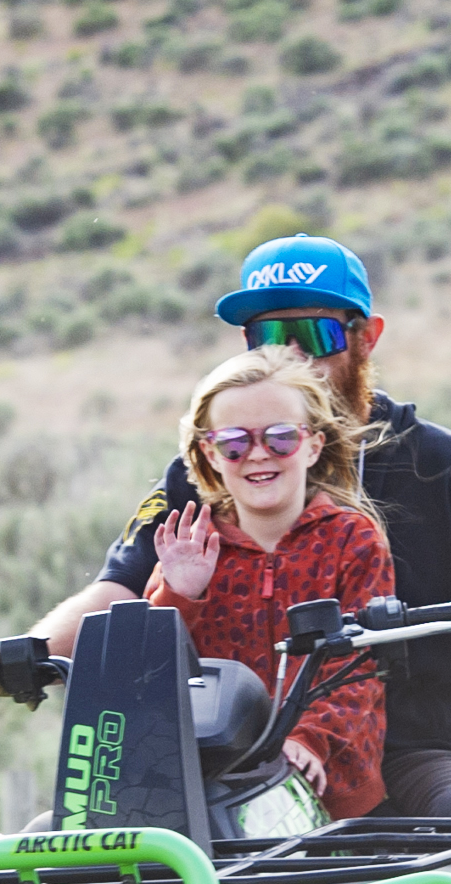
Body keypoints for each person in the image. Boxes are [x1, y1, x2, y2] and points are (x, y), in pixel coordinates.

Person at [31, 234, 451, 819]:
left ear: (366, 336)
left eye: (317, 335)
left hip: (409, 757)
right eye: (268, 336)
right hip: (227, 754)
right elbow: (122, 594)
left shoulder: (440, 467)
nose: (293, 356)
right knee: (65, 846)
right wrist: (26, 653)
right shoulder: (208, 476)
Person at [145, 342, 394, 819]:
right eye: (234, 444)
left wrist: (309, 742)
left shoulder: (352, 541)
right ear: (209, 454)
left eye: (280, 438)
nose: (258, 456)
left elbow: (360, 670)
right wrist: (181, 594)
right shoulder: (192, 547)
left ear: (314, 444)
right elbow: (149, 679)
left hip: (330, 791)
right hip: (212, 790)